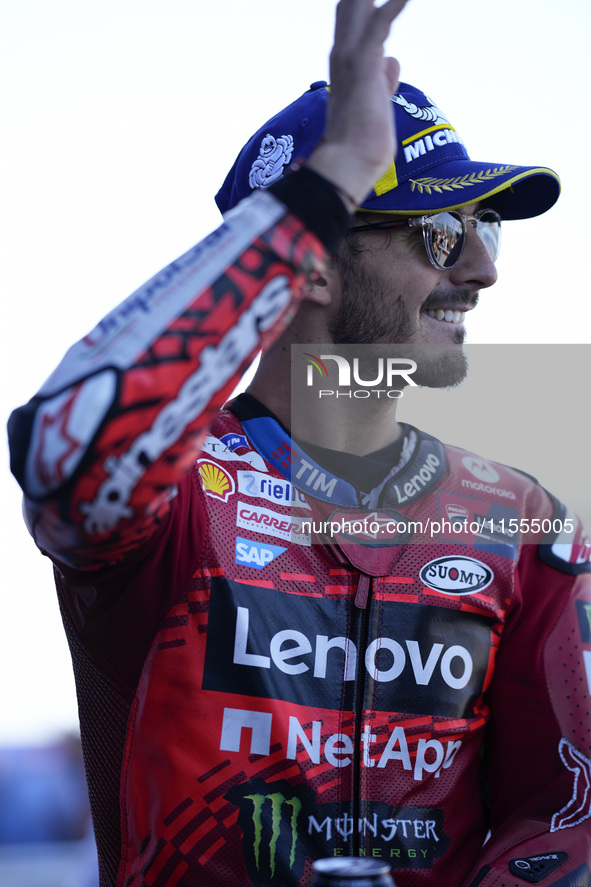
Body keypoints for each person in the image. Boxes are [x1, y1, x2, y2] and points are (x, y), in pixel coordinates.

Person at [7, 0, 591, 884]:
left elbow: (565, 812)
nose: (481, 269)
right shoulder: (179, 492)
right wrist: (331, 180)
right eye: (440, 234)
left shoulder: (524, 521)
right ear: (311, 260)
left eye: (485, 229)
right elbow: (61, 446)